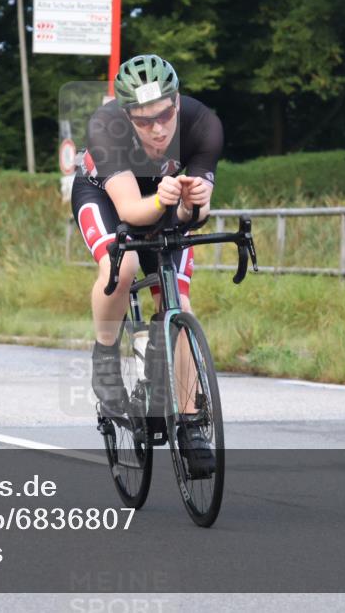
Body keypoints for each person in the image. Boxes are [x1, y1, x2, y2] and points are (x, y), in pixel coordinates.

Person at [70, 54, 222, 475]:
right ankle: (104, 360)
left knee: (178, 303)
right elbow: (133, 211)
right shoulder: (106, 127)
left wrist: (195, 204)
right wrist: (162, 199)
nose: (157, 128)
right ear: (126, 116)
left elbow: (194, 217)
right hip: (109, 196)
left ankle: (190, 422)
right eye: (143, 120)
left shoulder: (202, 124)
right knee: (123, 266)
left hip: (167, 197)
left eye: (165, 115)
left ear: (177, 102)